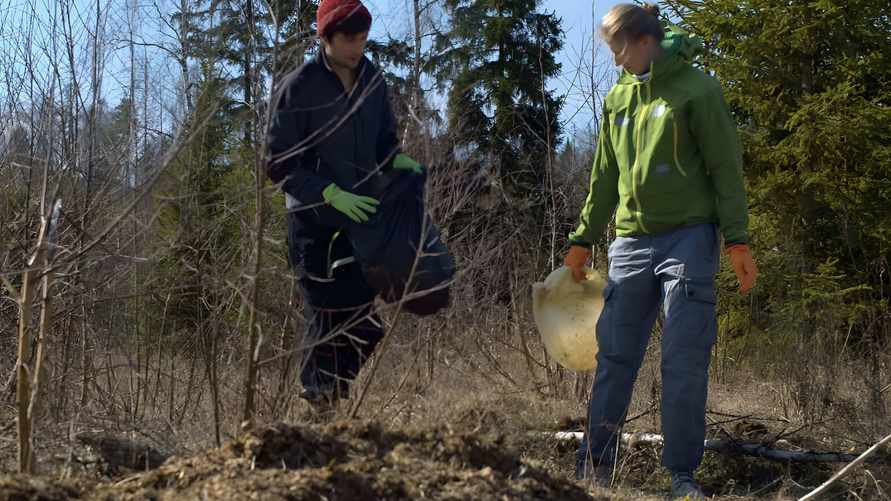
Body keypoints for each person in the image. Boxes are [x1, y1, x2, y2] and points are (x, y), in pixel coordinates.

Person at [563, 3, 758, 499]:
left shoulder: (698, 90)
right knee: (615, 358)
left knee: (683, 358)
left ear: (644, 41)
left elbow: (725, 168)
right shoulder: (617, 98)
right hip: (630, 242)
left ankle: (681, 477)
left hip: (689, 240)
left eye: (618, 49)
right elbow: (603, 175)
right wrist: (583, 239)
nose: (615, 61)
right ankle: (595, 468)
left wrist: (736, 238)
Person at [264, 0, 423, 414]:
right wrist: (327, 192)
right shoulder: (300, 85)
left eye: (362, 38)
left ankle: (328, 400)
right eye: (349, 39)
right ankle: (317, 408)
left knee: (364, 324)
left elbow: (384, 141)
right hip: (312, 220)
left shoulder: (372, 80)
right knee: (325, 315)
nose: (357, 47)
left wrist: (396, 161)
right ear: (326, 37)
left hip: (360, 218)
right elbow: (277, 162)